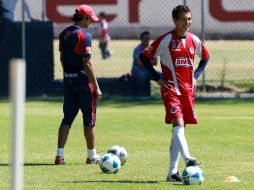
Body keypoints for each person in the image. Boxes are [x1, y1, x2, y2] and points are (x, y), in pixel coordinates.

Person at [139, 5, 209, 182]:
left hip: (188, 92)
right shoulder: (166, 40)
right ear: (175, 20)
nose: (188, 22)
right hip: (171, 90)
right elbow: (144, 57)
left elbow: (206, 57)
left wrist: (196, 76)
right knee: (178, 124)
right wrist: (157, 77)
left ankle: (171, 173)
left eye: (190, 19)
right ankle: (188, 161)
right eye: (184, 19)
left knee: (179, 130)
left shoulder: (194, 40)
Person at [55, 4, 102, 165]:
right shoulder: (84, 36)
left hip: (68, 81)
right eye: (90, 19)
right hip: (83, 84)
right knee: (89, 120)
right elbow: (87, 64)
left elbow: (62, 58)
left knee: (67, 118)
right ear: (83, 17)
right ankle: (92, 156)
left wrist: (69, 73)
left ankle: (59, 156)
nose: (91, 22)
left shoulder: (63, 33)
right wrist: (96, 86)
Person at [131, 31, 159, 97]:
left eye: (148, 38)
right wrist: (150, 61)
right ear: (141, 39)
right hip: (137, 70)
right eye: (145, 38)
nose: (147, 40)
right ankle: (140, 95)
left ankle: (166, 95)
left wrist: (144, 61)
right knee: (141, 76)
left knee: (162, 76)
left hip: (149, 70)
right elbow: (138, 63)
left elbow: (155, 62)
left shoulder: (152, 49)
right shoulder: (137, 49)